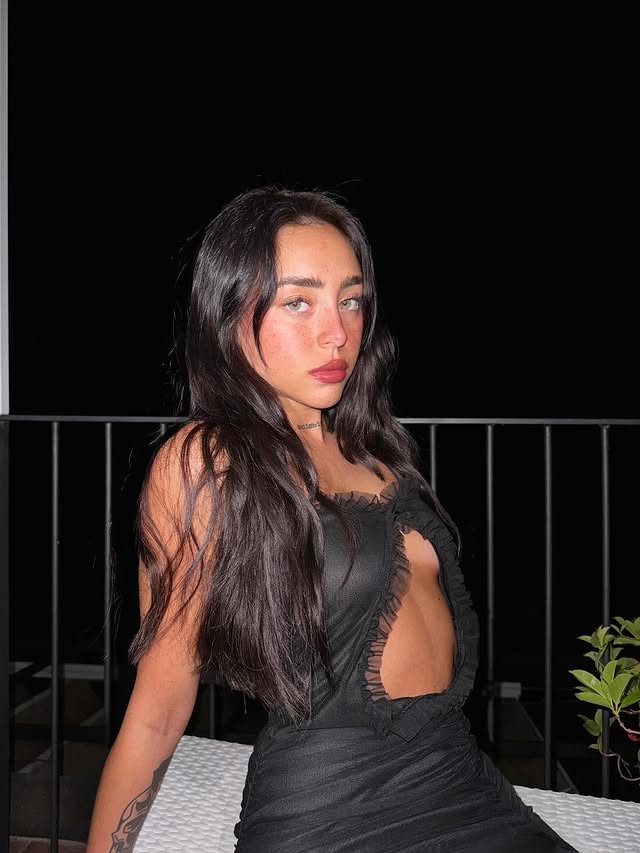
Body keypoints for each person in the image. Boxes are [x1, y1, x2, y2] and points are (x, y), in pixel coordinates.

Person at [86, 187, 577, 852]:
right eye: (299, 301)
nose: (337, 332)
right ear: (228, 313)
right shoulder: (208, 461)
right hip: (332, 809)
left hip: (460, 777)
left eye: (351, 299)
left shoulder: (375, 449)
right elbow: (157, 710)